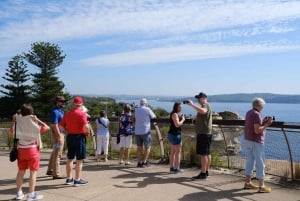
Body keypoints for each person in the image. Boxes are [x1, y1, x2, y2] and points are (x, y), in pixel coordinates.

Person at [14, 104, 50, 201]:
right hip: (32, 149)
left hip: (21, 150)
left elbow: (11, 132)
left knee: (20, 172)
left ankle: (19, 193)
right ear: (31, 113)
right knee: (33, 173)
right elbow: (46, 127)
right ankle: (31, 194)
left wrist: (15, 119)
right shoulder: (33, 124)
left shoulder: (17, 122)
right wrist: (37, 120)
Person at [243, 97, 273, 193]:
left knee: (250, 161)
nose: (263, 107)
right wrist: (267, 124)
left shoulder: (249, 112)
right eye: (262, 105)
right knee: (260, 163)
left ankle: (248, 183)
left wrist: (262, 122)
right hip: (256, 141)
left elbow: (254, 126)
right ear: (259, 105)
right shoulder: (256, 114)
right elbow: (257, 130)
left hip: (248, 140)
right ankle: (261, 186)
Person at [59, 96, 90, 187]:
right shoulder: (82, 114)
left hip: (70, 136)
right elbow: (86, 126)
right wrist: (87, 132)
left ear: (74, 104)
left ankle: (69, 178)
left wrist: (67, 131)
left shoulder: (68, 114)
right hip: (79, 137)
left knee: (70, 158)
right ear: (81, 104)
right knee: (80, 159)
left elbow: (60, 126)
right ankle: (77, 179)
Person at [186, 92, 212, 180]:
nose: (198, 100)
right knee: (207, 153)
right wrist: (196, 119)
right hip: (206, 132)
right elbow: (203, 115)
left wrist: (192, 105)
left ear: (204, 98)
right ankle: (206, 172)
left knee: (203, 154)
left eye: (199, 98)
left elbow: (203, 111)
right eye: (197, 98)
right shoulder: (205, 105)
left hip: (203, 133)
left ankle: (203, 173)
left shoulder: (205, 105)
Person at [46, 96, 67, 179]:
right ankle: (56, 173)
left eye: (64, 101)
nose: (63, 103)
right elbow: (54, 125)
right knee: (58, 154)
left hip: (59, 133)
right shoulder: (55, 112)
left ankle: (50, 169)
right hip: (58, 134)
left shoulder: (60, 111)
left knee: (55, 151)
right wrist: (59, 137)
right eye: (62, 101)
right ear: (57, 102)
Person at [134, 98, 156, 167]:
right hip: (145, 131)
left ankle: (139, 162)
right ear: (146, 103)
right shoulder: (147, 109)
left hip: (137, 131)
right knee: (147, 147)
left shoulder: (136, 110)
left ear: (140, 103)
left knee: (139, 147)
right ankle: (144, 162)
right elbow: (154, 116)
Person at [168, 102, 185, 173]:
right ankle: (177, 168)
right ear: (176, 107)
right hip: (175, 135)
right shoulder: (175, 114)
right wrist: (183, 119)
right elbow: (177, 125)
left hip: (171, 134)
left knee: (172, 152)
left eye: (181, 107)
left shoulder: (173, 114)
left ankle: (172, 167)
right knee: (178, 152)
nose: (181, 108)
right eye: (179, 107)